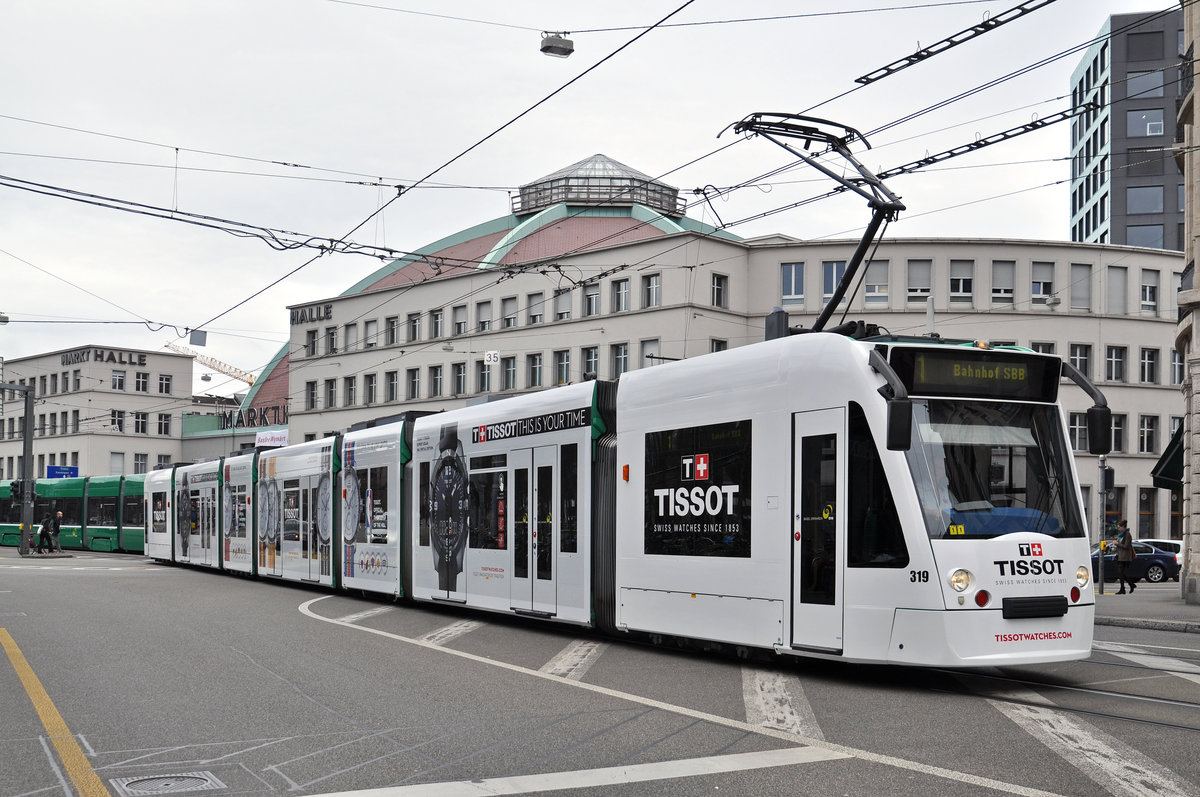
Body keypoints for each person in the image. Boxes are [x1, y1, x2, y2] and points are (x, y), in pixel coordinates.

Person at [1115, 518, 1136, 594]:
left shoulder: (1127, 534)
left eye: (1119, 527)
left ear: (1123, 527)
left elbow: (1126, 546)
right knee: (1121, 573)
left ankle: (1124, 588)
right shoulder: (1121, 535)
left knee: (1121, 573)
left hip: (1125, 557)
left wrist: (1118, 544)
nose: (1119, 529)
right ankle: (1129, 585)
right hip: (1121, 556)